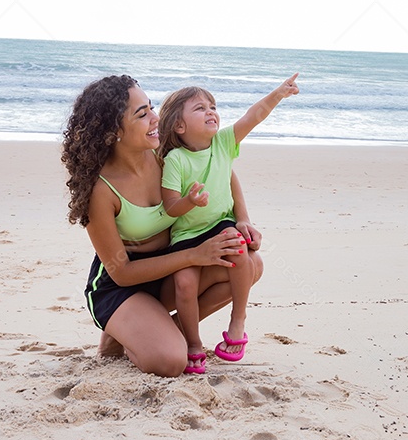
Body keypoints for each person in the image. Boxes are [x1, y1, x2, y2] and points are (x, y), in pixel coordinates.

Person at [61, 75, 263, 377]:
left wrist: (243, 219)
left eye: (151, 108)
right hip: (121, 287)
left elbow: (220, 170)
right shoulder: (100, 191)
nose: (156, 118)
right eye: (142, 114)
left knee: (250, 264)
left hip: (169, 272)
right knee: (169, 362)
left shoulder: (164, 155)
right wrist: (195, 256)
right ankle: (133, 332)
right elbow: (122, 272)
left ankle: (153, 330)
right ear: (113, 130)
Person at [157, 74, 300, 373]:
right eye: (200, 108)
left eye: (213, 106)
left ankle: (238, 321)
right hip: (186, 234)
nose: (211, 111)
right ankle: (193, 344)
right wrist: (190, 202)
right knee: (184, 283)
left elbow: (253, 116)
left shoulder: (223, 143)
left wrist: (278, 94)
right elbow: (171, 207)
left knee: (238, 248)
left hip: (221, 224)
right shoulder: (176, 160)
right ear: (179, 126)